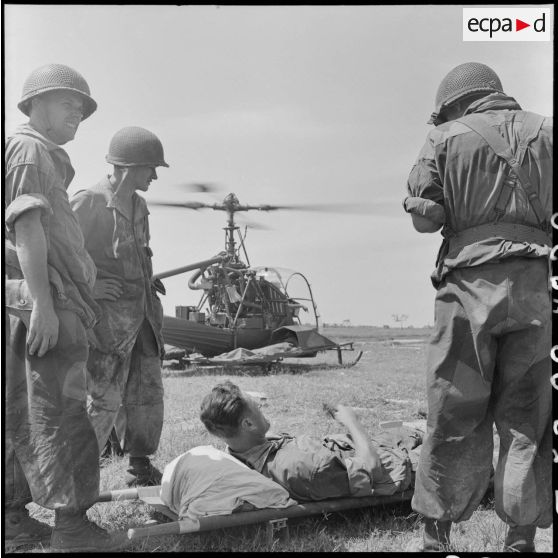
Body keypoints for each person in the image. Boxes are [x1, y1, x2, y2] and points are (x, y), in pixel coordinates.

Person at [403, 62, 552, 552]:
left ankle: (436, 536)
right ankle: (521, 537)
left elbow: (430, 220)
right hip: (536, 291)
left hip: (469, 290)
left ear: (455, 104)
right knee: (527, 417)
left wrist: (417, 205)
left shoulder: (444, 137)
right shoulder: (549, 131)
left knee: (452, 410)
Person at [4, 63, 128, 551]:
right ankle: (72, 529)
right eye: (66, 104)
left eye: (81, 108)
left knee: (19, 414)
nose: (77, 114)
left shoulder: (29, 150)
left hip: (34, 299)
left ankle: (11, 521)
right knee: (62, 413)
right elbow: (28, 227)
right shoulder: (32, 149)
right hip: (44, 301)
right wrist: (44, 305)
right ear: (33, 105)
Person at [70, 126, 168, 487]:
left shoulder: (139, 206)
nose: (154, 176)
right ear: (128, 166)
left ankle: (139, 467)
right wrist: (90, 285)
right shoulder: (89, 201)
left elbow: (139, 253)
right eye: (150, 168)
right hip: (106, 326)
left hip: (142, 321)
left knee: (147, 394)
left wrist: (148, 278)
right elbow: (60, 251)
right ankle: (78, 479)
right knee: (103, 402)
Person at [199, 381, 422, 502]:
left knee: (421, 426)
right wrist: (353, 422)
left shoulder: (243, 450)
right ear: (248, 425)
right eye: (256, 407)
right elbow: (373, 469)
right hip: (403, 464)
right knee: (448, 432)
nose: (262, 407)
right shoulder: (302, 467)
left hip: (376, 444)